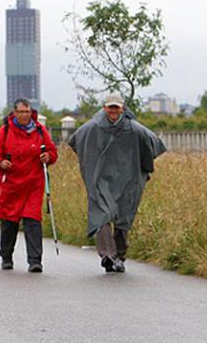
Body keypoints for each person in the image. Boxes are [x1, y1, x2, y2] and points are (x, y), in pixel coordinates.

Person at [68, 93, 166, 273]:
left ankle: (120, 256)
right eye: (110, 107)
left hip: (127, 180)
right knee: (102, 216)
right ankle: (107, 254)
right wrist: (91, 162)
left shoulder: (135, 129)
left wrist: (143, 169)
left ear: (122, 108)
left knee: (122, 217)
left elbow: (153, 145)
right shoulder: (92, 128)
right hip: (101, 180)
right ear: (104, 108)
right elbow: (76, 142)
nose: (113, 111)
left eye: (116, 107)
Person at [0, 98, 58, 273]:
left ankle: (35, 261)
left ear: (31, 112)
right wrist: (0, 163)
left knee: (33, 220)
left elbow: (52, 152)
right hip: (10, 185)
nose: (25, 115)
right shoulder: (4, 132)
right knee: (9, 221)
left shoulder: (40, 131)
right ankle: (6, 257)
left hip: (33, 183)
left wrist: (48, 157)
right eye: (21, 112)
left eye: (27, 112)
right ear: (15, 113)